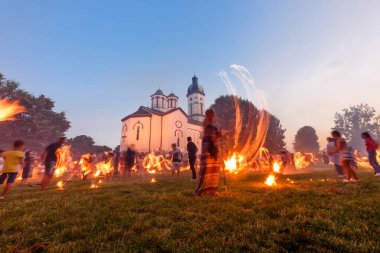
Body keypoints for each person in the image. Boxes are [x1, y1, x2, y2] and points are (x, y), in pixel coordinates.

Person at [194, 109, 221, 195]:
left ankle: (212, 189)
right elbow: (205, 131)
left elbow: (218, 134)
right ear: (206, 114)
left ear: (214, 114)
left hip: (214, 145)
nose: (210, 115)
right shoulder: (205, 122)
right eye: (208, 114)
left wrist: (218, 135)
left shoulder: (216, 123)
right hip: (207, 144)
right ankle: (202, 189)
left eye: (212, 114)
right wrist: (212, 137)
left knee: (214, 165)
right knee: (206, 166)